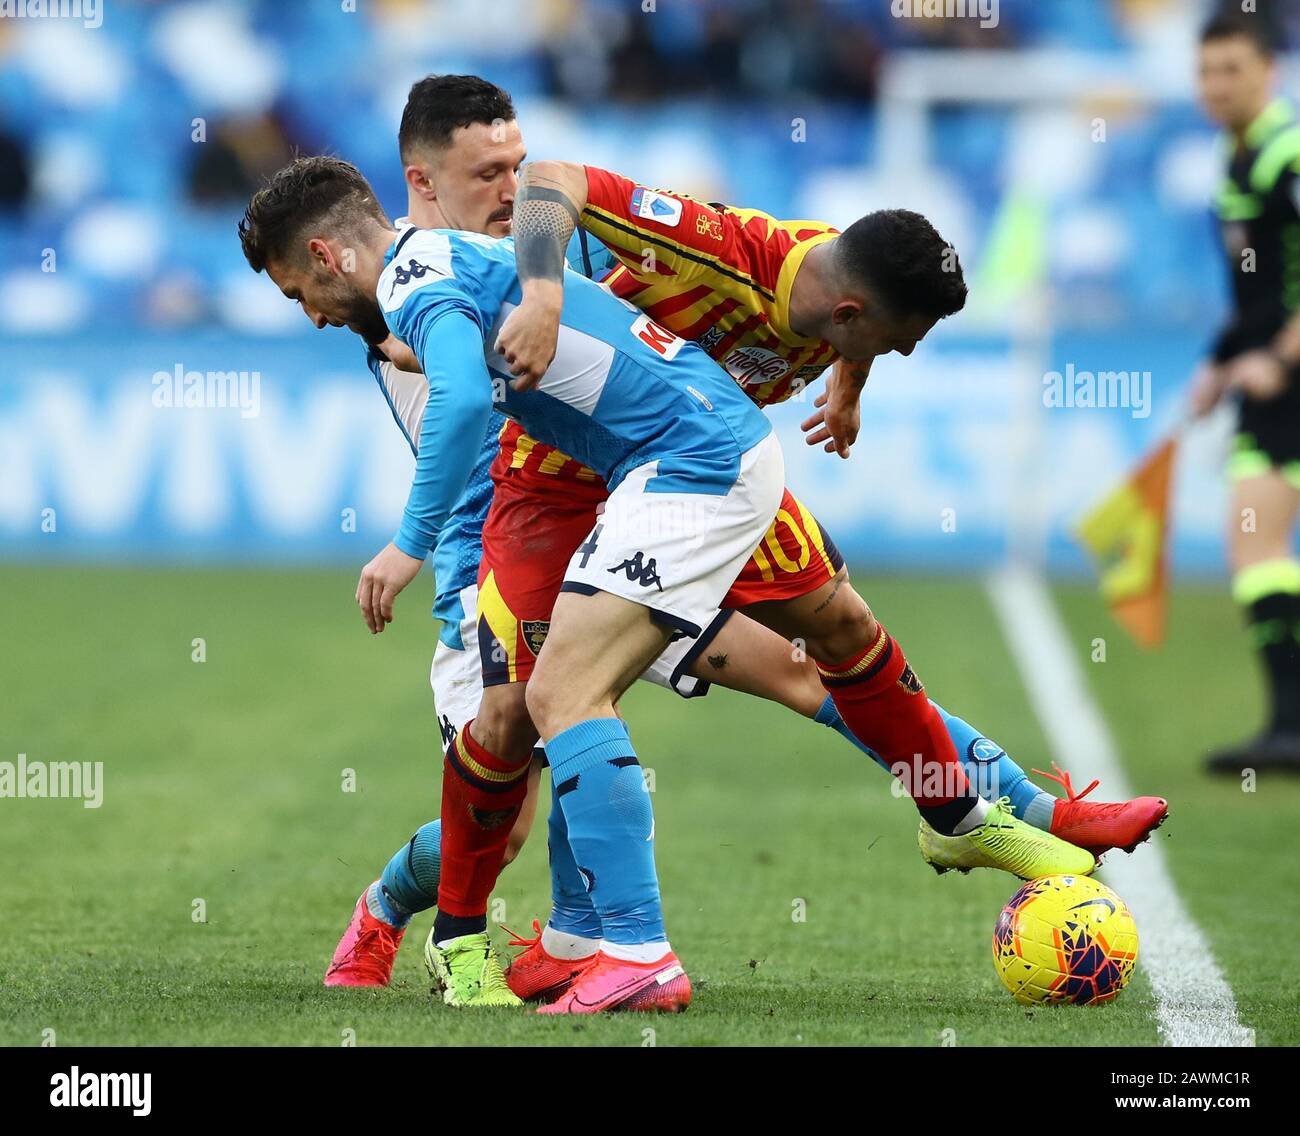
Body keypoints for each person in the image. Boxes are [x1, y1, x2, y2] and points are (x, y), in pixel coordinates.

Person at [238, 155, 1146, 1012]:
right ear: (424, 177)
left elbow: (472, 385)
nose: (514, 180)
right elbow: (517, 285)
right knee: (533, 739)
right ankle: (466, 925)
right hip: (577, 494)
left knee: (658, 680)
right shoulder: (469, 271)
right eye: (491, 167)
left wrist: (403, 545)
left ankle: (636, 951)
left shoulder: (427, 271)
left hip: (678, 466)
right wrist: (534, 305)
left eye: (516, 161)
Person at [1191, 15, 1300, 774]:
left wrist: (1279, 361)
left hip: (1289, 377)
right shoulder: (1240, 161)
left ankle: (1290, 727)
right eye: (1206, 72)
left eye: (1231, 69)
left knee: (1255, 540)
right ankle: (1287, 725)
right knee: (1254, 545)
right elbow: (1257, 292)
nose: (1216, 86)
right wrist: (1220, 362)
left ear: (1269, 69)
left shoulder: (1284, 153)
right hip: (1268, 371)